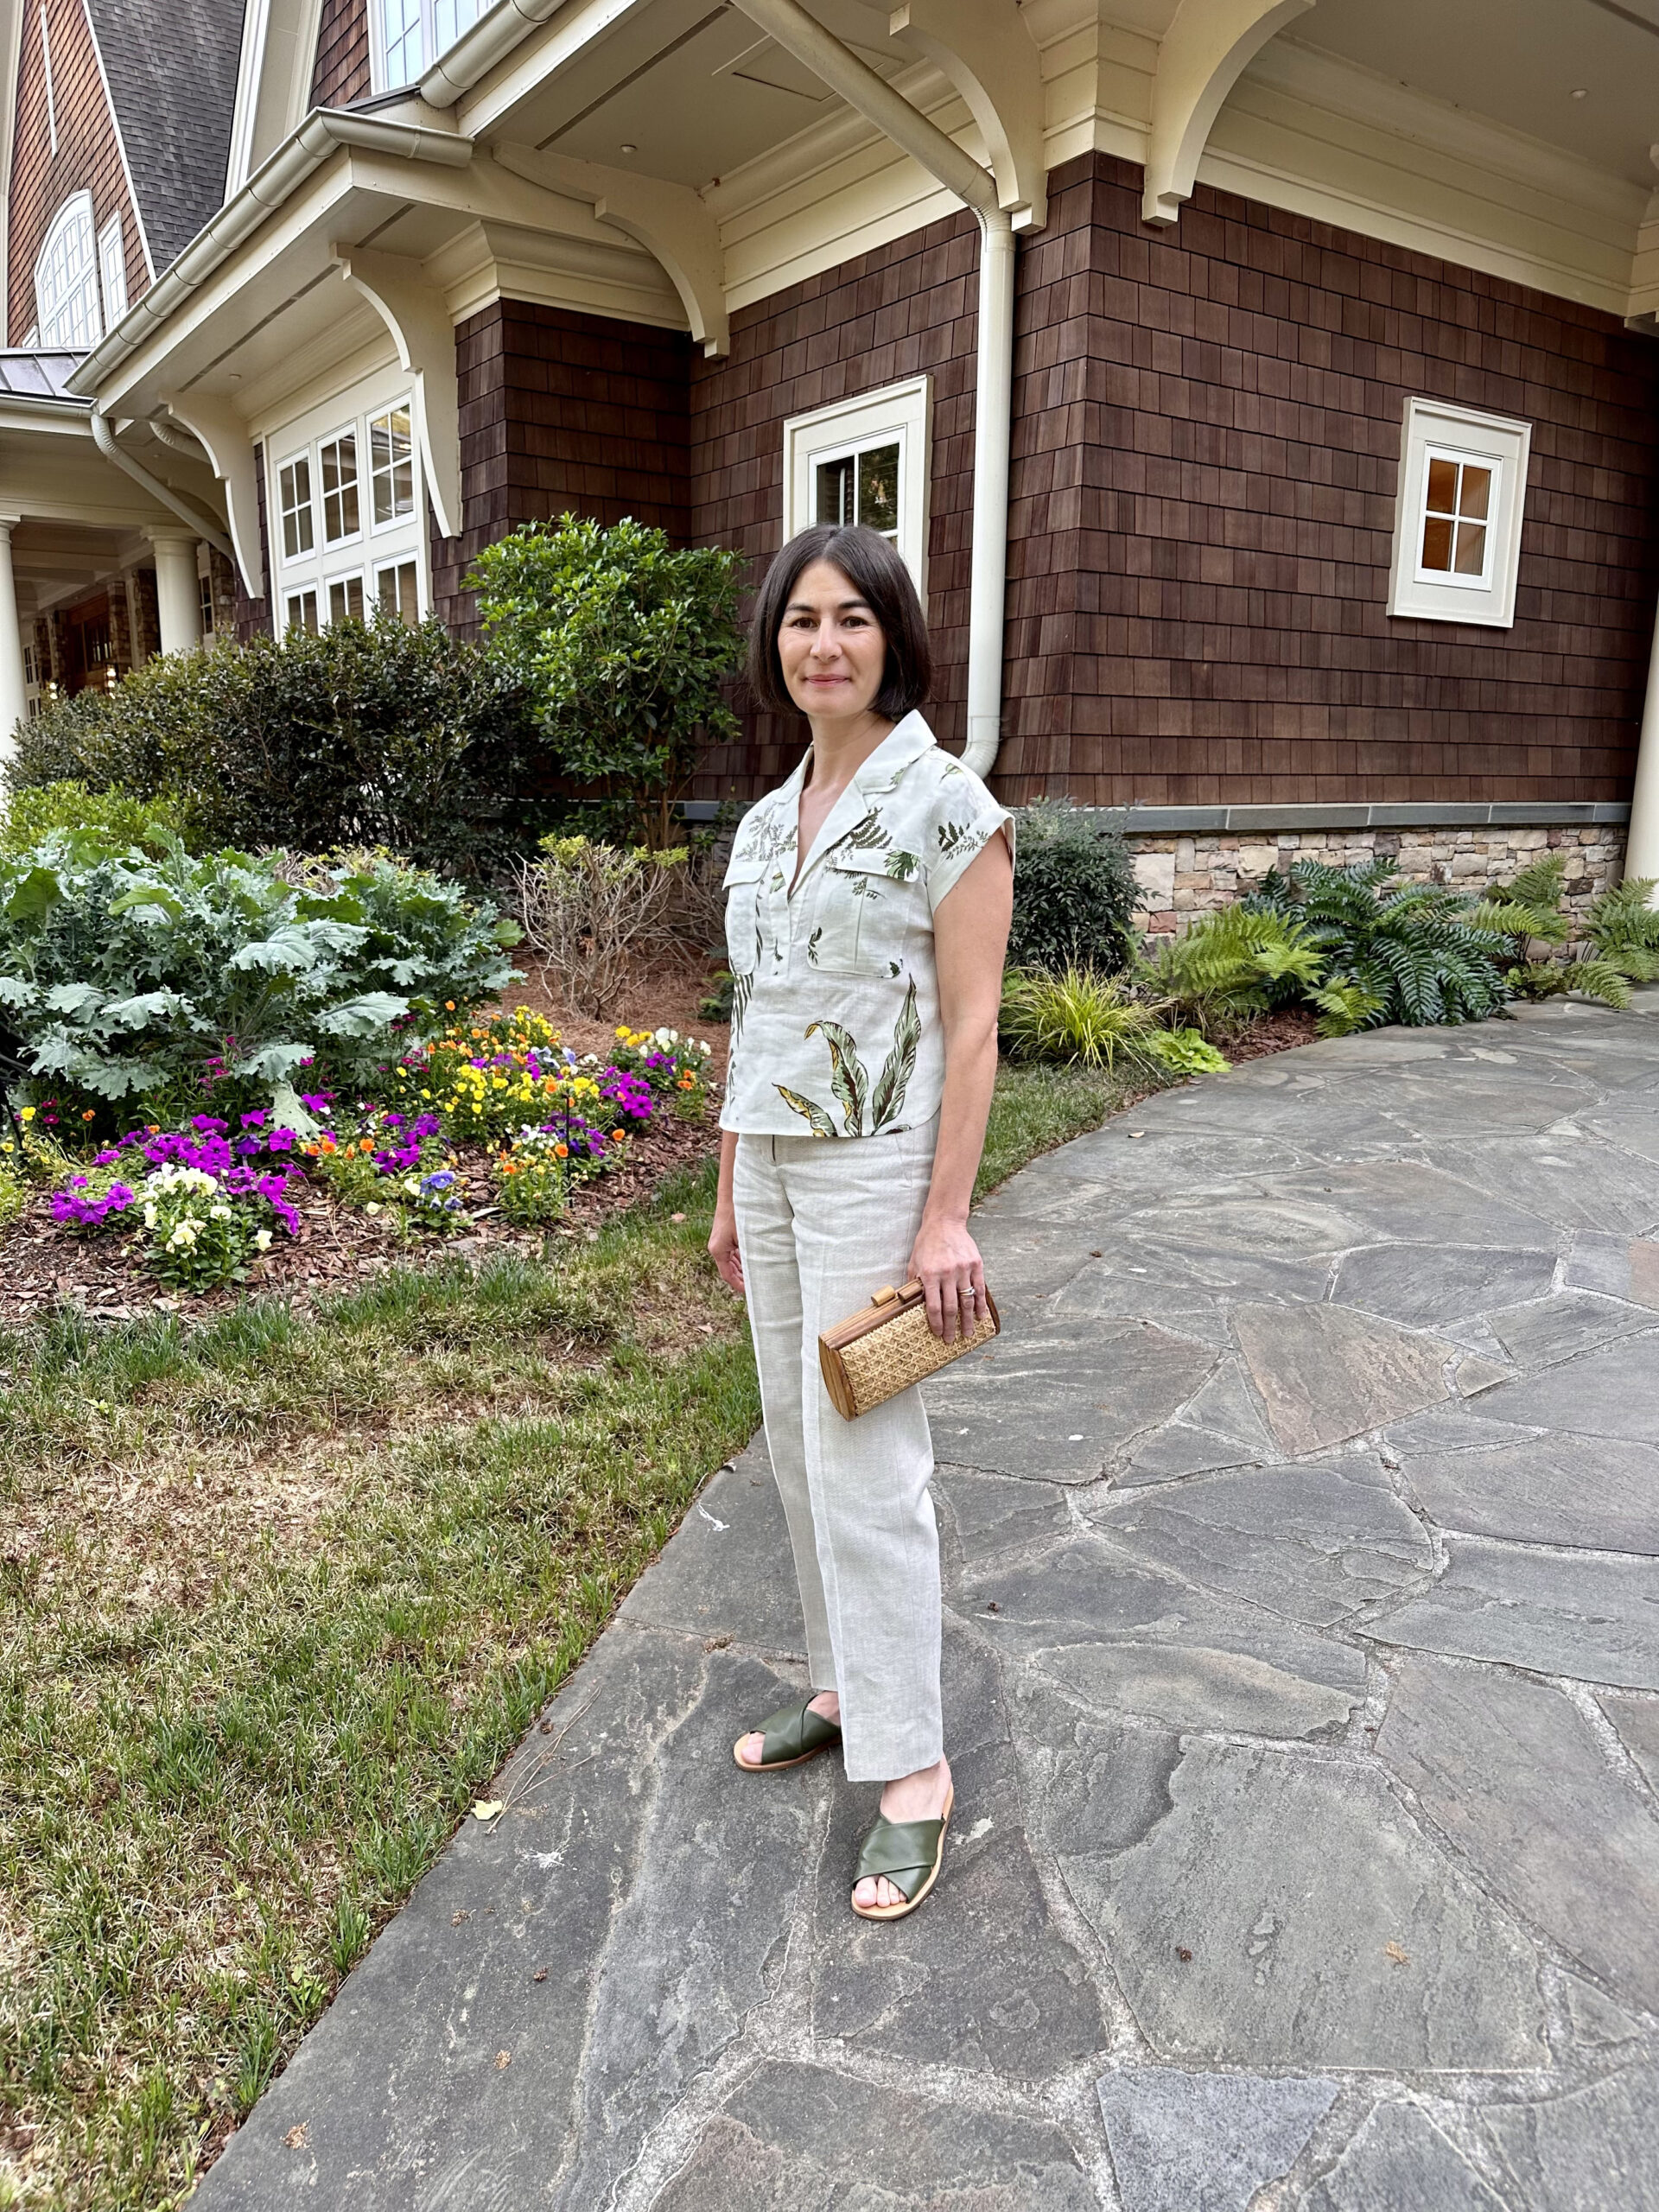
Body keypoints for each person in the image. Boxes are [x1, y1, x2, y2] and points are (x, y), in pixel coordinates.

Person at [708, 522, 1014, 1921]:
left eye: (851, 619)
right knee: (793, 1438)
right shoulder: (768, 818)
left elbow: (974, 1028)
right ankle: (846, 1688)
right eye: (800, 620)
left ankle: (916, 1768)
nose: (822, 644)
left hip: (877, 1170)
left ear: (893, 636)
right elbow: (759, 1014)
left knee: (868, 1459)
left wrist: (945, 1219)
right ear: (774, 641)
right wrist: (728, 1182)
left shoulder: (946, 804)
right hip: (773, 1165)